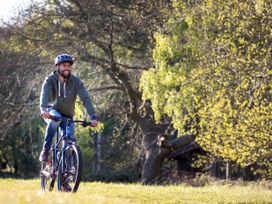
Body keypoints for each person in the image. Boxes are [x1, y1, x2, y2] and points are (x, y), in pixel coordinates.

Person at [39, 53, 98, 162]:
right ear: (57, 66)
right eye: (64, 65)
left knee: (69, 141)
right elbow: (44, 94)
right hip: (51, 112)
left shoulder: (76, 81)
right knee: (55, 120)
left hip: (67, 116)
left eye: (69, 65)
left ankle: (66, 170)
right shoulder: (50, 79)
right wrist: (43, 109)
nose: (67, 68)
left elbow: (85, 98)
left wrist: (93, 116)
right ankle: (46, 150)